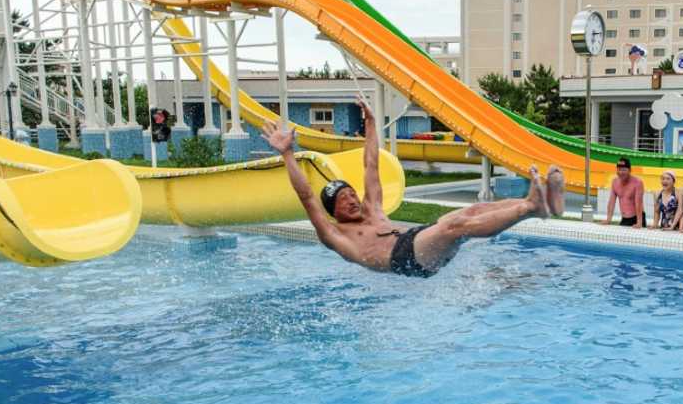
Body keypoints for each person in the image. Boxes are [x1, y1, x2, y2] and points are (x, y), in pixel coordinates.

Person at [260, 99, 565, 278]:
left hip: (416, 239)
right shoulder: (334, 235)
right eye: (342, 199)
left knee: (470, 211)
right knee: (456, 225)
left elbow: (371, 165)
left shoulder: (374, 211)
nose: (352, 199)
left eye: (352, 193)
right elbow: (306, 197)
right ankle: (530, 208)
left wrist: (370, 125)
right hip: (405, 260)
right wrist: (287, 153)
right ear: (333, 211)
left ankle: (540, 205)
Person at [604, 157, 645, 228]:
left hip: (636, 218)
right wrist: (608, 219)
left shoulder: (637, 182)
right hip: (625, 218)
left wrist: (639, 222)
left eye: (624, 170)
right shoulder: (615, 182)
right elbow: (611, 202)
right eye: (619, 170)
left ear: (630, 170)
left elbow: (639, 203)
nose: (621, 172)